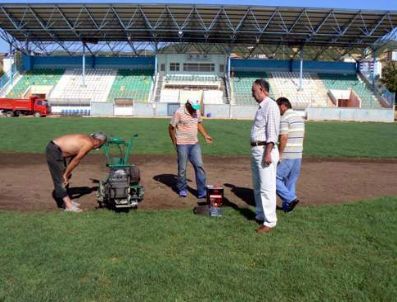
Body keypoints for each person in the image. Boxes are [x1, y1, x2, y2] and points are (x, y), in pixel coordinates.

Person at [45, 132, 107, 212]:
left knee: (65, 176)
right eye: (101, 144)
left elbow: (74, 157)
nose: (100, 147)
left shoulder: (87, 140)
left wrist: (67, 173)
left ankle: (66, 202)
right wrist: (65, 174)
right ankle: (68, 206)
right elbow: (76, 160)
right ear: (98, 141)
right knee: (60, 179)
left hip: (56, 150)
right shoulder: (88, 144)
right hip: (54, 150)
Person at [250, 79, 280, 234]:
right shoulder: (261, 107)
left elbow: (273, 132)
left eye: (254, 91)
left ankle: (270, 221)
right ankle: (260, 214)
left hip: (264, 150)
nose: (252, 94)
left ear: (261, 89)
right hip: (256, 149)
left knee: (267, 187)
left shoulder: (271, 106)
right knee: (257, 186)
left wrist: (268, 152)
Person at [168, 99, 213, 199]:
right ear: (187, 105)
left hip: (194, 144)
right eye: (193, 108)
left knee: (199, 166)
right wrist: (174, 141)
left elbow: (198, 124)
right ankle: (182, 189)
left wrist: (205, 135)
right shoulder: (179, 112)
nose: (195, 110)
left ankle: (202, 192)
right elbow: (171, 127)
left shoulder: (196, 111)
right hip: (182, 144)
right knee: (182, 168)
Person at [276, 97, 305, 212]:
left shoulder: (284, 118)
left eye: (277, 106)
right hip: (298, 154)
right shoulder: (299, 118)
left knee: (274, 178)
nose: (277, 110)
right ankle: (288, 208)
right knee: (291, 180)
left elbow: (283, 137)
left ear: (283, 106)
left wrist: (279, 154)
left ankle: (291, 199)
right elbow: (304, 135)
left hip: (288, 154)